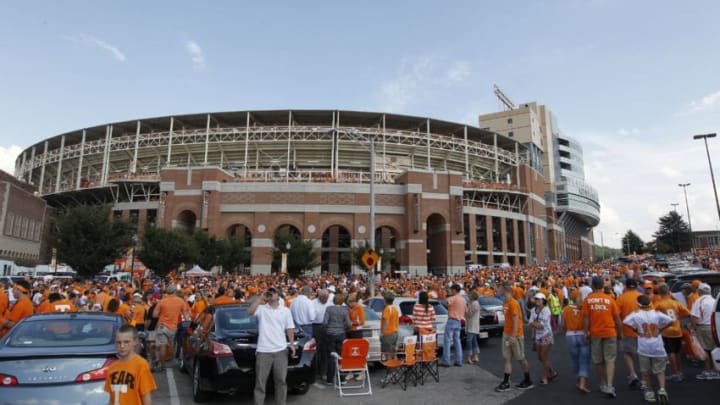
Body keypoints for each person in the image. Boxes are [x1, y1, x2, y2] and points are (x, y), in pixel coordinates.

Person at [248, 287, 296, 405]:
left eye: (273, 292)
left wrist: (292, 344)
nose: (271, 294)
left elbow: (289, 328)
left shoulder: (285, 310)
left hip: (280, 350)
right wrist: (261, 298)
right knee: (260, 383)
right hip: (263, 351)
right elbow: (249, 312)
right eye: (270, 292)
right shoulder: (261, 309)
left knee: (281, 381)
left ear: (278, 295)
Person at [622, 294, 673, 404]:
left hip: (644, 346)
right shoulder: (657, 314)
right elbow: (671, 321)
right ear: (650, 303)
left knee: (645, 371)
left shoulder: (636, 314)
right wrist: (660, 329)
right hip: (658, 345)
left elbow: (625, 321)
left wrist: (635, 330)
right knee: (660, 370)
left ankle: (650, 392)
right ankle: (662, 389)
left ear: (638, 304)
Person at [582, 276, 622, 398]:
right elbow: (617, 319)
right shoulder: (610, 299)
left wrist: (585, 332)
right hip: (610, 332)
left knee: (599, 360)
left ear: (593, 286)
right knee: (610, 359)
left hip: (595, 333)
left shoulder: (588, 300)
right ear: (602, 286)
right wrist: (620, 333)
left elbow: (586, 318)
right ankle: (610, 385)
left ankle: (603, 383)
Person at [105, 324, 157, 405]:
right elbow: (112, 398)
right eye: (119, 342)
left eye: (126, 342)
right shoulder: (112, 367)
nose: (122, 346)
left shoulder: (141, 365)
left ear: (135, 341)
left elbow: (146, 396)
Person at [495, 282, 533, 392]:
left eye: (500, 288)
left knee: (521, 358)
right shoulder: (505, 302)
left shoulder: (513, 303)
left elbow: (516, 320)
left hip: (515, 335)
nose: (498, 290)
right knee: (507, 358)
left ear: (505, 289)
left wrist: (513, 336)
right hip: (506, 333)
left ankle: (528, 380)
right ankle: (506, 382)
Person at [653, 283, 690, 382]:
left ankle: (674, 373)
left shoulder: (659, 303)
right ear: (669, 292)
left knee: (670, 352)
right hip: (677, 330)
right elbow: (687, 312)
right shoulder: (675, 303)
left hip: (666, 331)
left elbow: (652, 315)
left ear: (660, 293)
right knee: (677, 352)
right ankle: (679, 372)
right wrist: (678, 317)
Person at [152, 285, 190, 371]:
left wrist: (162, 313)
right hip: (173, 328)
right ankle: (162, 363)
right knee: (167, 345)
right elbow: (186, 315)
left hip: (162, 326)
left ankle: (162, 365)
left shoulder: (162, 301)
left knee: (162, 346)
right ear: (175, 292)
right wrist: (187, 325)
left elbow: (154, 315)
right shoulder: (181, 301)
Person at [616, 278, 643, 389]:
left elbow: (616, 316)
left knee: (627, 353)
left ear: (626, 287)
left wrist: (618, 331)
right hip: (642, 331)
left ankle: (633, 374)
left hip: (627, 330)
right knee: (642, 355)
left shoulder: (621, 298)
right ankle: (644, 377)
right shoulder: (642, 297)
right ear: (636, 286)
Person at [689, 283, 719, 380]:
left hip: (703, 328)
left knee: (705, 350)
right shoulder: (714, 300)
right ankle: (715, 370)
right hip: (715, 327)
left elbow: (695, 317)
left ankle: (707, 371)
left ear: (699, 291)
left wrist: (692, 329)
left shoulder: (699, 301)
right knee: (715, 350)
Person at [561, 294, 590, 393]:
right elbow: (587, 322)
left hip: (570, 335)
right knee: (584, 359)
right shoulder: (584, 308)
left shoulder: (566, 309)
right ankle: (582, 383)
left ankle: (578, 380)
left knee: (575, 360)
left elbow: (563, 325)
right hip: (582, 334)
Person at [529, 292, 557, 385]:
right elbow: (530, 323)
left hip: (546, 335)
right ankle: (552, 372)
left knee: (544, 357)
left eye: (539, 299)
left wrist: (534, 324)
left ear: (543, 301)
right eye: (536, 299)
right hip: (538, 335)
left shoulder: (546, 310)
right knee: (540, 357)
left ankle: (545, 377)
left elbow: (540, 325)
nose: (537, 300)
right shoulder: (533, 310)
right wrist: (533, 332)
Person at [323, 293, 351, 385]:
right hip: (341, 334)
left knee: (331, 355)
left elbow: (325, 322)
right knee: (341, 356)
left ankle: (330, 379)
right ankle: (342, 378)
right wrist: (344, 329)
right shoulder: (344, 310)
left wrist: (326, 329)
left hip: (330, 334)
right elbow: (348, 323)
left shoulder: (329, 309)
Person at [442, 284, 467, 367]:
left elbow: (445, 301)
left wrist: (447, 294)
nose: (451, 291)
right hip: (459, 321)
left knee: (447, 341)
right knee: (457, 341)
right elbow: (466, 310)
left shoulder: (452, 298)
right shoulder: (463, 299)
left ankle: (446, 361)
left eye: (451, 290)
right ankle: (459, 361)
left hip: (452, 319)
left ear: (454, 290)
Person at [380, 293, 399, 359]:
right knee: (394, 353)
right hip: (395, 333)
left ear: (385, 300)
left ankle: (390, 368)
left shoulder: (387, 309)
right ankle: (395, 368)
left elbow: (386, 322)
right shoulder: (395, 309)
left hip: (388, 334)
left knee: (387, 354)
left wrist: (382, 333)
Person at [465, 290, 481, 364]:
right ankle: (476, 356)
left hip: (472, 325)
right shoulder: (472, 303)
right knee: (474, 340)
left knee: (469, 340)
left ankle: (469, 356)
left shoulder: (475, 304)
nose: (468, 296)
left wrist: (465, 310)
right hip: (472, 324)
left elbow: (470, 314)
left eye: (469, 295)